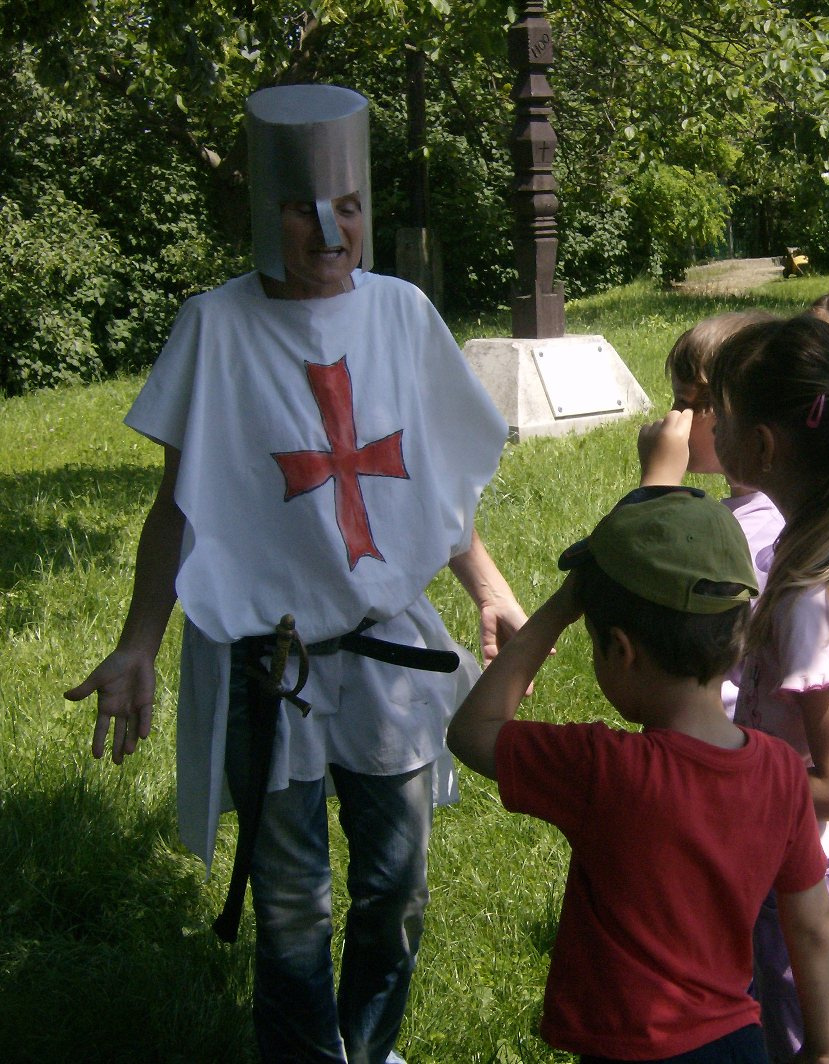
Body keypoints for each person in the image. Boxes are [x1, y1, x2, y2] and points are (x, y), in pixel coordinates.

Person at [63, 84, 524, 1064]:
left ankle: (367, 1045)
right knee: (291, 905)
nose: (330, 229)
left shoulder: (399, 312)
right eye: (304, 209)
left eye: (347, 206)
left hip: (386, 647)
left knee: (395, 887)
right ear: (263, 215)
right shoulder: (215, 328)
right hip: (266, 659)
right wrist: (138, 640)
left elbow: (426, 483)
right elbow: (185, 501)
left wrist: (484, 585)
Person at [446, 486, 829, 1064]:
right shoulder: (782, 773)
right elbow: (812, 927)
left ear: (621, 651)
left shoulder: (605, 771)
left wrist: (560, 608)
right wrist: (826, 1050)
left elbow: (473, 731)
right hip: (738, 1043)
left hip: (629, 1051)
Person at [706, 315, 829, 1064]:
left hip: (817, 869)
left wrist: (727, 765)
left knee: (818, 1046)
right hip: (815, 861)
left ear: (761, 446)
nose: (710, 429)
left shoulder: (808, 594)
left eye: (721, 415)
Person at [636, 310, 781, 715]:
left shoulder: (750, 534)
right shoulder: (752, 517)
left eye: (685, 403)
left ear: (732, 415)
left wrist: (657, 485)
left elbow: (647, 605)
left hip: (721, 734)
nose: (672, 417)